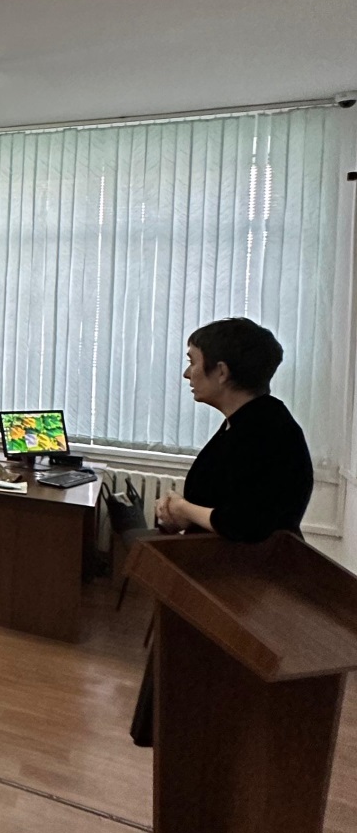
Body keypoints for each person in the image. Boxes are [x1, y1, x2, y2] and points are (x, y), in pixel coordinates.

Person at [130, 317, 314, 747]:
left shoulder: (265, 430)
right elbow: (229, 502)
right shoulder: (247, 422)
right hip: (215, 583)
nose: (186, 373)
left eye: (193, 361)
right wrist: (184, 515)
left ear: (222, 371)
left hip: (238, 593)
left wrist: (182, 508)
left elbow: (244, 523)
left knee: (211, 734)